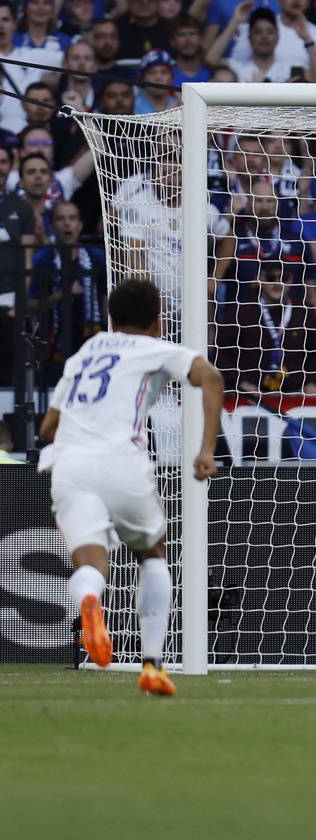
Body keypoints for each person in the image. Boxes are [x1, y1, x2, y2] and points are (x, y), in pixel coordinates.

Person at [38, 277, 223, 696]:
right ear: (159, 322)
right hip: (122, 460)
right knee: (151, 553)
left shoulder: (85, 353)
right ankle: (153, 664)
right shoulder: (156, 348)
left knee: (90, 561)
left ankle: (89, 601)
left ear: (111, 317)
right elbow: (210, 377)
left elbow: (48, 427)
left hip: (70, 462)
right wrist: (206, 450)